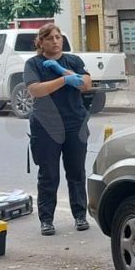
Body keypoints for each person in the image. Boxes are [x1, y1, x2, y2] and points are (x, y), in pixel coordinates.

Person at [24, 24, 93, 236]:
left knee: (76, 172)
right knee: (48, 175)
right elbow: (36, 90)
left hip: (75, 124)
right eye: (50, 38)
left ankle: (80, 215)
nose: (55, 41)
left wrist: (64, 71)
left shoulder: (73, 61)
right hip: (46, 126)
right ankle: (46, 220)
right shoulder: (34, 64)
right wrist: (64, 80)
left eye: (58, 37)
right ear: (41, 42)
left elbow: (86, 84)